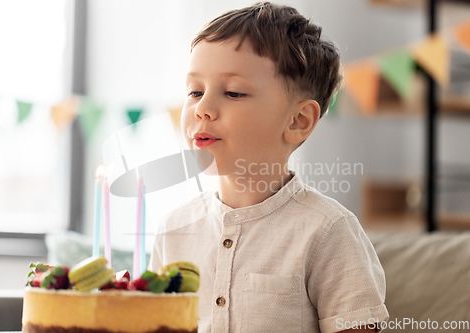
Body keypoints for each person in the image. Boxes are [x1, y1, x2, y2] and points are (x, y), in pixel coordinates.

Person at [149, 2, 389, 332]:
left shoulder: (328, 231)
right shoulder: (172, 230)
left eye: (233, 92)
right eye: (194, 91)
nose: (202, 108)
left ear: (298, 121)